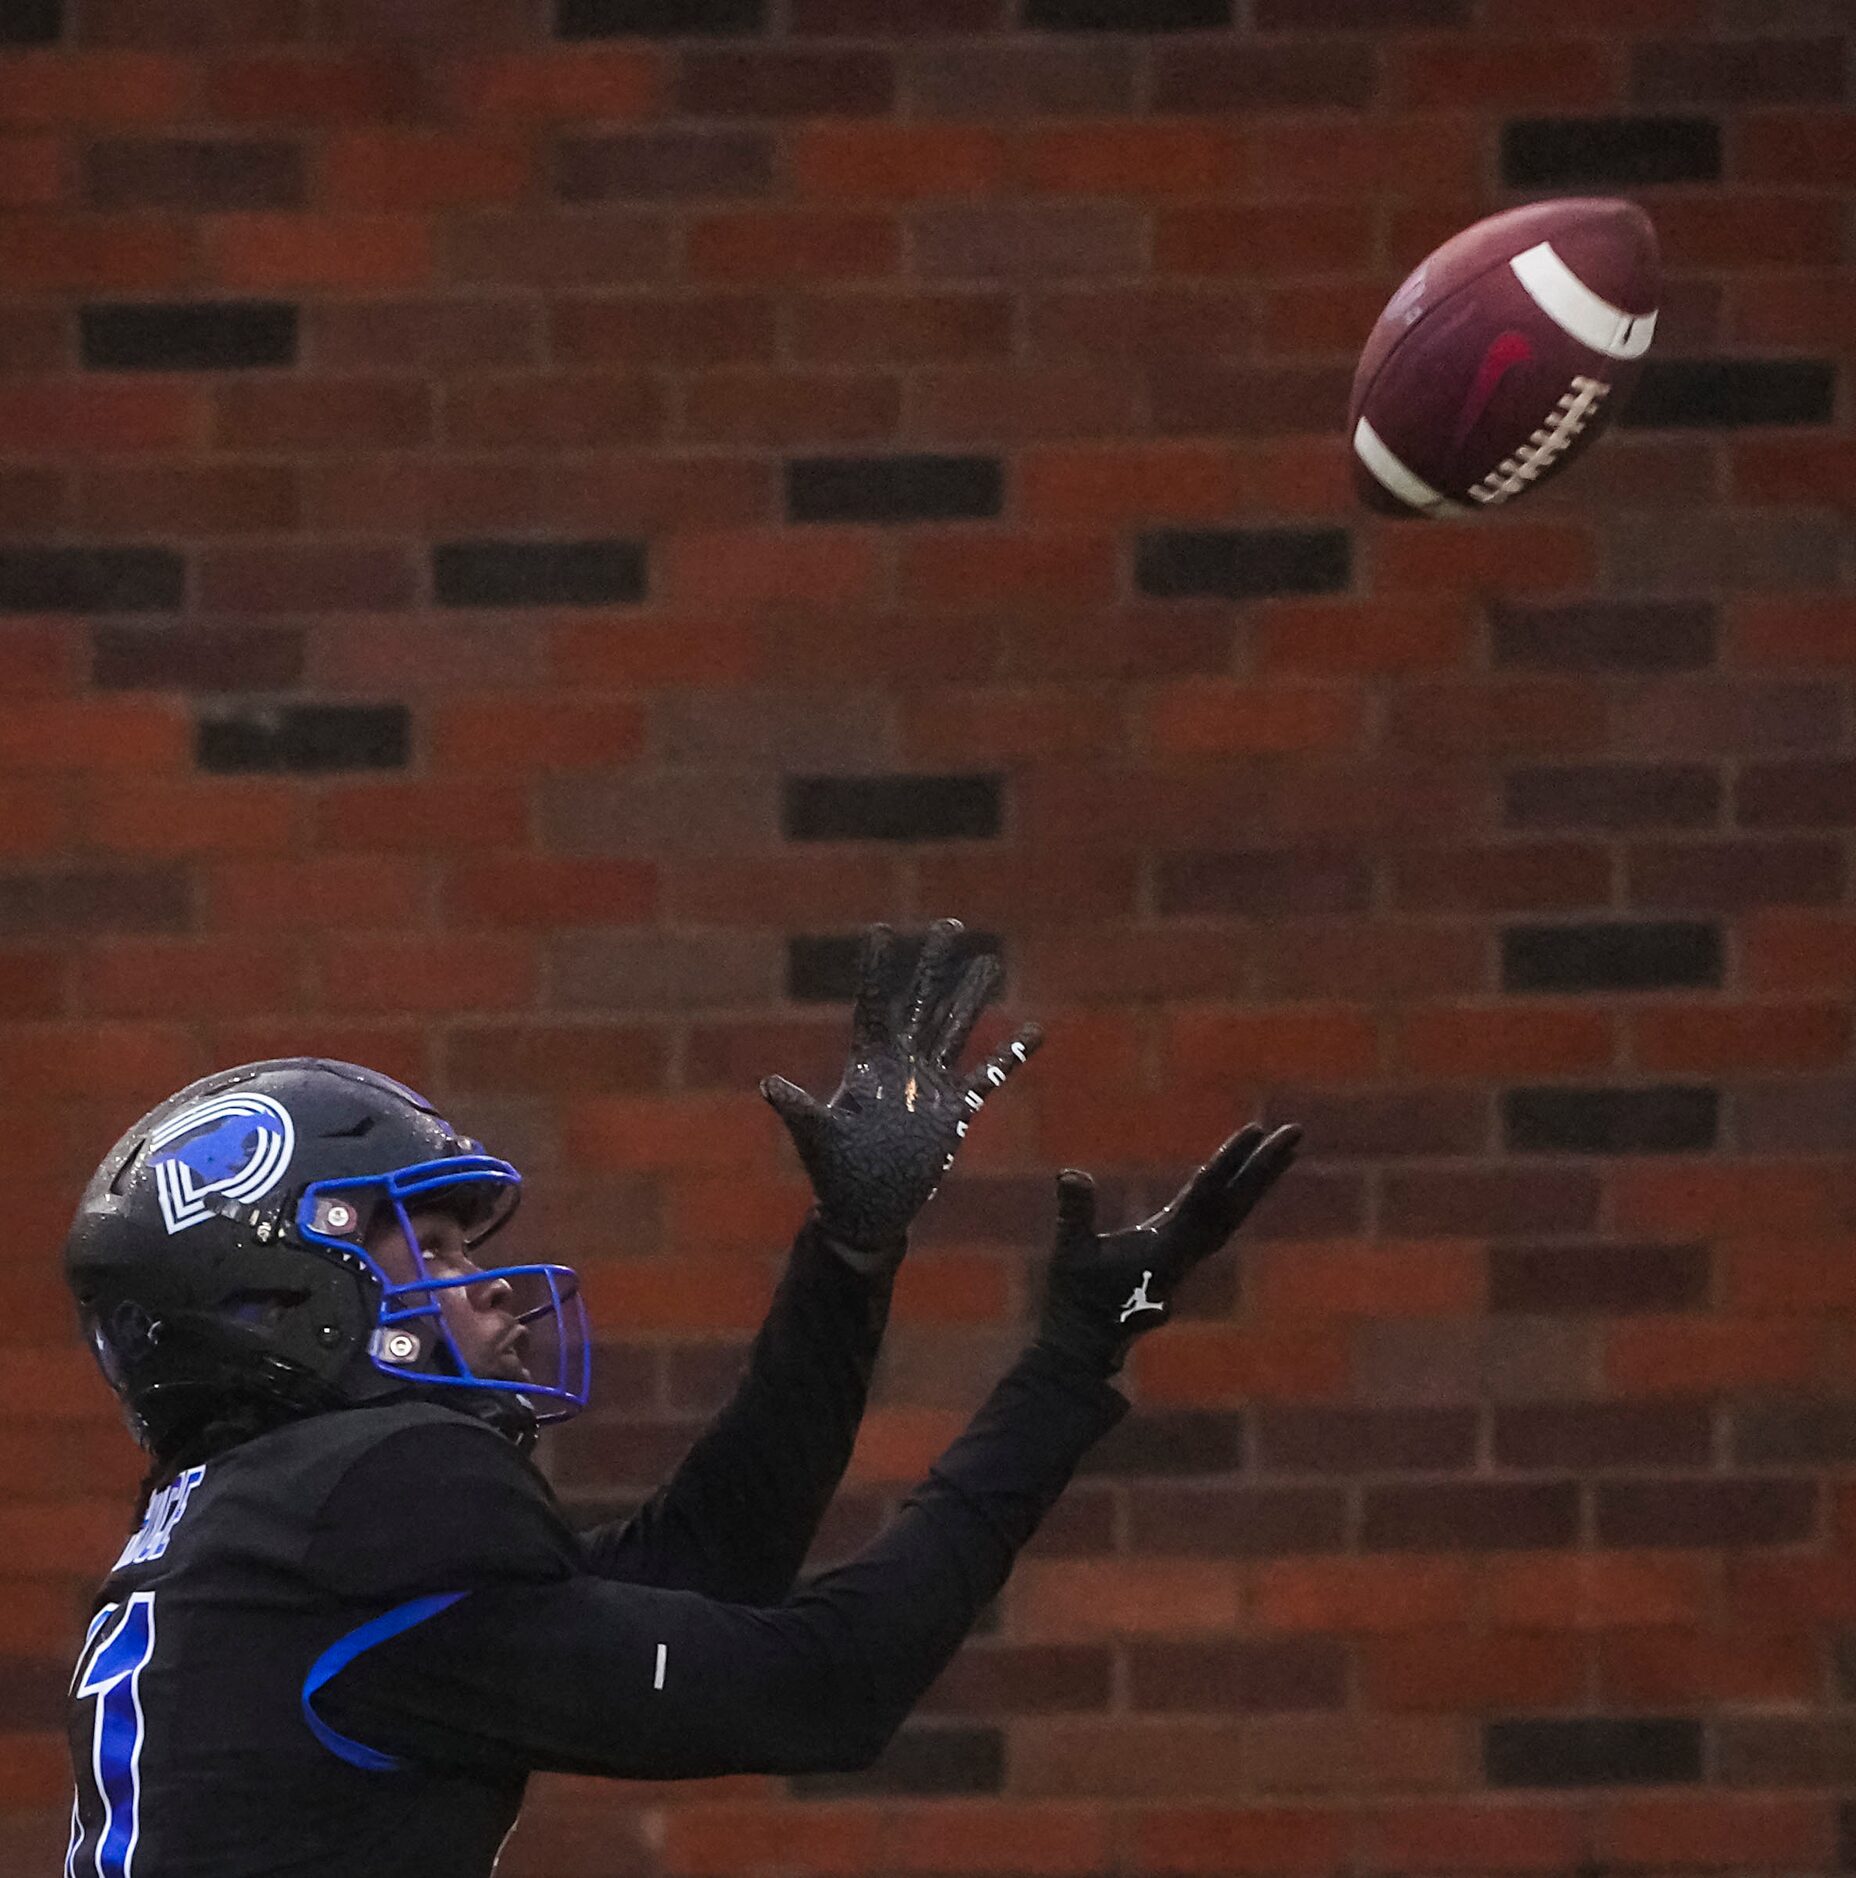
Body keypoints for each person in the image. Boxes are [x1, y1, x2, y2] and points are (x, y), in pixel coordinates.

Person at [62, 919, 1300, 1878]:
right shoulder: (362, 1511)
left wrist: (851, 1257)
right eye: (429, 1248)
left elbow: (705, 1565)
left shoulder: (264, 1538)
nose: (485, 1292)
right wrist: (1064, 1367)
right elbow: (828, 1684)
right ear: (282, 1290)